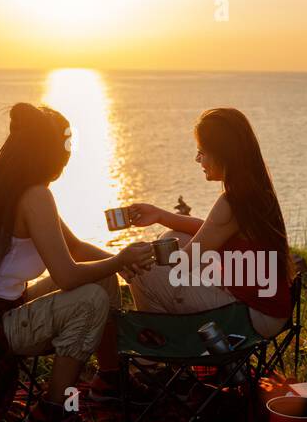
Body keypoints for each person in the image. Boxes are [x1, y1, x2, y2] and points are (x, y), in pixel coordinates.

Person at [0, 103, 154, 422]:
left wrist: (120, 262)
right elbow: (66, 276)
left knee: (103, 280)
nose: (67, 157)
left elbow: (77, 248)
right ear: (50, 153)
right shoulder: (36, 196)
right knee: (90, 299)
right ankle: (52, 413)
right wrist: (120, 260)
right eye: (65, 148)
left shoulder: (14, 188)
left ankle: (109, 380)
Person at [124, 107, 294, 336]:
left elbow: (182, 263)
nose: (197, 159)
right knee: (172, 238)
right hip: (265, 304)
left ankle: (159, 349)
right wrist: (160, 215)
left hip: (254, 316)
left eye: (201, 152)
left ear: (222, 153)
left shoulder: (233, 201)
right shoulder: (251, 189)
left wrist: (130, 260)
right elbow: (210, 230)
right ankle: (172, 341)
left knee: (144, 274)